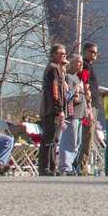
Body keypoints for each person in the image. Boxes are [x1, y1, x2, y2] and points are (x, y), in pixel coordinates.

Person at [38, 43, 68, 176]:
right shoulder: (52, 68)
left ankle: (51, 167)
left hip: (53, 109)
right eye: (61, 53)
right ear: (54, 55)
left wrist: (63, 68)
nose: (64, 56)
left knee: (54, 140)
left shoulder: (58, 69)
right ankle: (45, 167)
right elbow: (54, 90)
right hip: (52, 110)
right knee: (48, 140)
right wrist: (59, 108)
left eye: (65, 54)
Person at [58, 53, 87, 174]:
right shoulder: (69, 77)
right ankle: (65, 166)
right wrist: (79, 95)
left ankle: (70, 165)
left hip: (80, 114)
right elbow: (69, 96)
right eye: (78, 62)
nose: (81, 64)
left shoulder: (78, 78)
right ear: (71, 63)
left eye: (81, 62)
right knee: (70, 141)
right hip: (72, 113)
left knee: (77, 142)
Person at [77, 41, 101, 176]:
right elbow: (85, 82)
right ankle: (82, 166)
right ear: (85, 52)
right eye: (92, 52)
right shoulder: (86, 65)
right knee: (87, 136)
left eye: (96, 53)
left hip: (93, 104)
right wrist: (88, 105)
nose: (94, 55)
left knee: (89, 136)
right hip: (89, 105)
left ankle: (82, 164)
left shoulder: (90, 66)